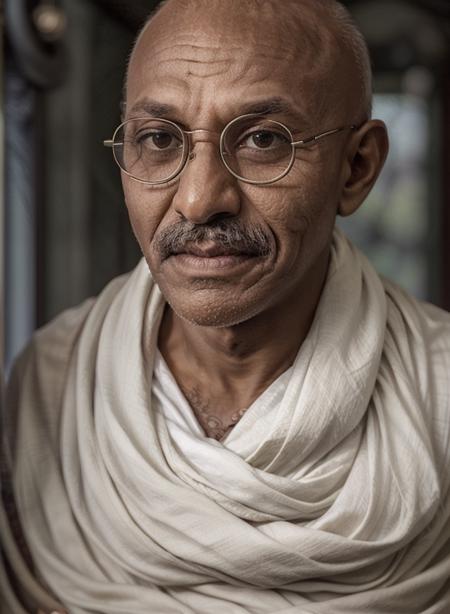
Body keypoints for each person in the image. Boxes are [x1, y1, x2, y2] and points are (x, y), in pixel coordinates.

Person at [1, 0, 449, 612]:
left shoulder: (440, 393)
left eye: (264, 140)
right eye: (158, 139)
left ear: (357, 168)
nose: (198, 199)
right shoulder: (50, 389)